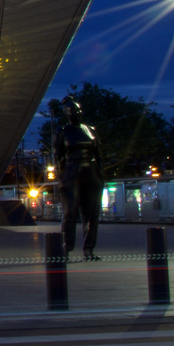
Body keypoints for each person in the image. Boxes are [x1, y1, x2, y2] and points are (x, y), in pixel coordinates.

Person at [53, 98, 105, 260]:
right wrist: (61, 178)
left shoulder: (90, 129)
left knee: (92, 213)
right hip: (71, 172)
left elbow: (99, 154)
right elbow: (57, 157)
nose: (77, 113)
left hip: (90, 172)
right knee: (70, 212)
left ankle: (88, 249)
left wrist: (100, 175)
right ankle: (66, 248)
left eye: (78, 110)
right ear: (66, 113)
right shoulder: (62, 131)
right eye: (73, 110)